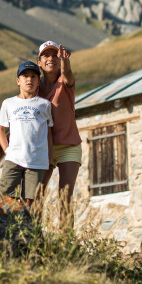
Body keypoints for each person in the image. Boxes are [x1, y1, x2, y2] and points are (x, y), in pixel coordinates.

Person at [0, 61, 54, 207]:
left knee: (31, 202)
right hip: (13, 158)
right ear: (18, 81)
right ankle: (6, 228)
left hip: (36, 160)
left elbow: (48, 132)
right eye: (25, 76)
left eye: (34, 76)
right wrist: (6, 150)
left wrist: (49, 157)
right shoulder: (8, 103)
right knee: (5, 197)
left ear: (38, 81)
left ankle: (27, 229)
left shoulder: (44, 104)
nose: (29, 80)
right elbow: (0, 128)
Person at [37, 40, 81, 224]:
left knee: (65, 197)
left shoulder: (65, 82)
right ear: (39, 62)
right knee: (36, 195)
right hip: (43, 148)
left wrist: (65, 62)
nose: (50, 59)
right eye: (46, 55)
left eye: (54, 55)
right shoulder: (34, 87)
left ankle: (66, 244)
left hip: (68, 147)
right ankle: (34, 239)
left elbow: (67, 73)